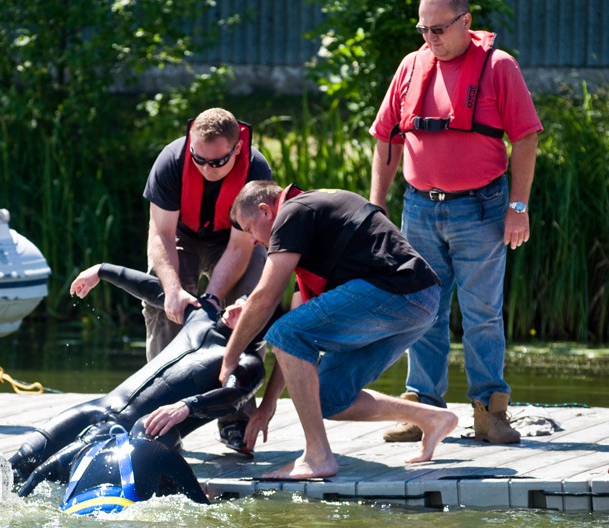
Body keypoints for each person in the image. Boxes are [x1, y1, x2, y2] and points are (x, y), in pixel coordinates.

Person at [368, 0, 542, 444]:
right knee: (423, 310)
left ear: (466, 22)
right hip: (420, 208)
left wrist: (517, 207)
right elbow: (386, 137)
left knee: (482, 312)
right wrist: (375, 206)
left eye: (439, 29)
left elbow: (524, 137)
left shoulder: (499, 67)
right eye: (423, 30)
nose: (431, 38)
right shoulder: (410, 66)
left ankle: (490, 412)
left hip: (480, 209)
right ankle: (423, 408)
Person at [218, 181, 459, 480]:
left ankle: (317, 456)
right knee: (330, 397)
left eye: (249, 228)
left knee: (285, 332)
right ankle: (432, 418)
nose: (253, 241)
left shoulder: (294, 211)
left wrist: (230, 357)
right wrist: (267, 406)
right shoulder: (310, 231)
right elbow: (294, 341)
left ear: (266, 211)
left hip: (400, 292)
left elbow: (266, 299)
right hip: (420, 302)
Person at [10, 263, 266, 497]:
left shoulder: (248, 362)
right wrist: (101, 270)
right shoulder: (201, 313)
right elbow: (152, 289)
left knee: (36, 480)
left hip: (127, 432)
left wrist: (188, 406)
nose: (233, 308)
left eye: (245, 311)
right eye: (238, 301)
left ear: (257, 326)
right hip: (96, 408)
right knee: (18, 464)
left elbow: (233, 397)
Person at [143, 106, 272, 448]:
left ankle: (234, 417)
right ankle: (158, 417)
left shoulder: (255, 168)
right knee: (163, 306)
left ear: (237, 149)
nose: (207, 168)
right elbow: (161, 235)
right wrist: (173, 291)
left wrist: (213, 298)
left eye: (217, 162)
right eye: (199, 160)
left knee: (242, 311)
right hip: (181, 236)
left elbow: (240, 246)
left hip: (233, 239)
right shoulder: (170, 162)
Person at [60, 425, 209, 516]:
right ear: (171, 445)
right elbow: (202, 505)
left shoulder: (87, 450)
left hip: (71, 512)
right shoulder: (162, 452)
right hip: (119, 511)